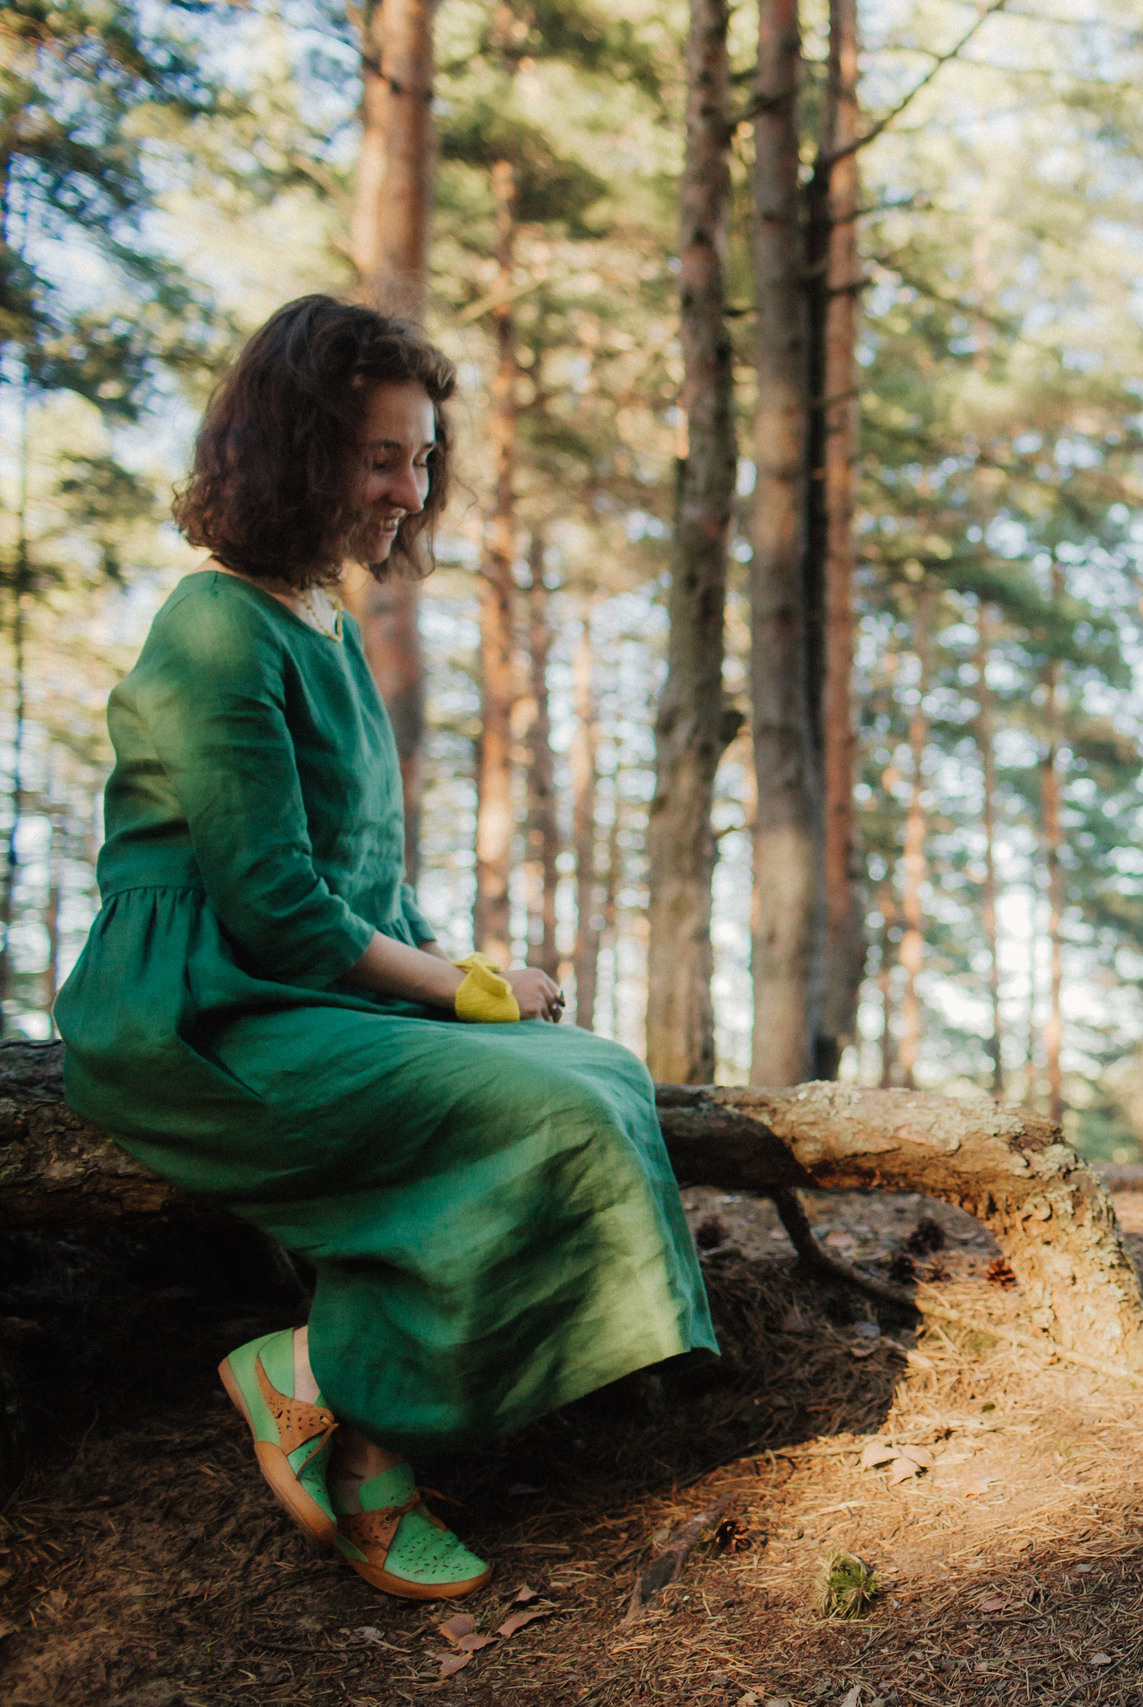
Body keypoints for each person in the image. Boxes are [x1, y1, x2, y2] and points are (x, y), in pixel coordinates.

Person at [54, 295, 718, 1599]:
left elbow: (366, 884)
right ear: (296, 449)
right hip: (202, 1014)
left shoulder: (327, 625)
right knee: (551, 1111)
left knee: (596, 1069)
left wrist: (471, 979)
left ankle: (352, 1399)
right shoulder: (213, 625)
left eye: (422, 458)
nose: (411, 488)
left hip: (302, 991)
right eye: (381, 456)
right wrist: (468, 988)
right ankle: (330, 1384)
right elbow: (277, 907)